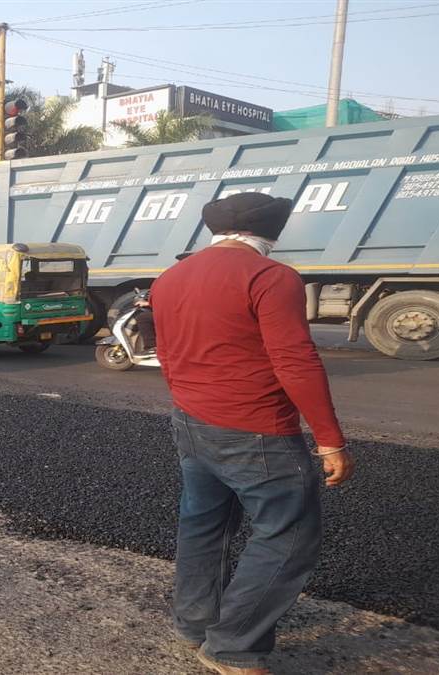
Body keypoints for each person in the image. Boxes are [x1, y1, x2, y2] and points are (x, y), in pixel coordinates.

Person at [151, 192, 355, 675]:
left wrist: (188, 403)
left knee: (203, 524)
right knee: (288, 534)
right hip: (258, 430)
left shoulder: (169, 278)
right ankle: (233, 648)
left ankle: (195, 625)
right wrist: (329, 438)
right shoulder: (271, 276)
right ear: (272, 231)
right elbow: (295, 360)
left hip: (191, 422)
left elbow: (167, 353)